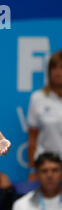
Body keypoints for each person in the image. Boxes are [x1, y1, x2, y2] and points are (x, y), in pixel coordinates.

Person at [27, 51, 62, 181]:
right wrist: (32, 169)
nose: (58, 72)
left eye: (61, 67)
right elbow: (32, 139)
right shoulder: (38, 98)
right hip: (46, 167)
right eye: (54, 68)